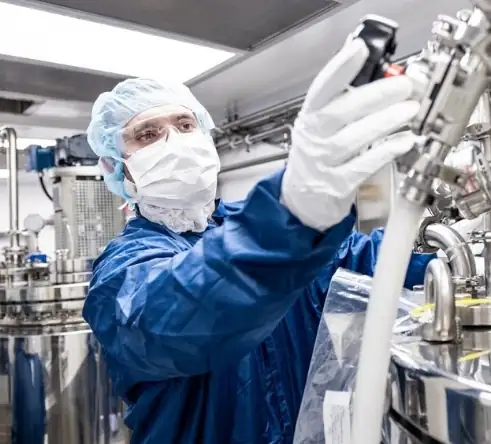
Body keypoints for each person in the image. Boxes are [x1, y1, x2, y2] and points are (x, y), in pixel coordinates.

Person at [82, 36, 443, 443]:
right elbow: (174, 319)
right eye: (147, 134)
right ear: (117, 167)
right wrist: (291, 214)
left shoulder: (248, 222)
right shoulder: (122, 268)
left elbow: (374, 259)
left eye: (185, 125)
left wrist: (449, 245)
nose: (175, 143)